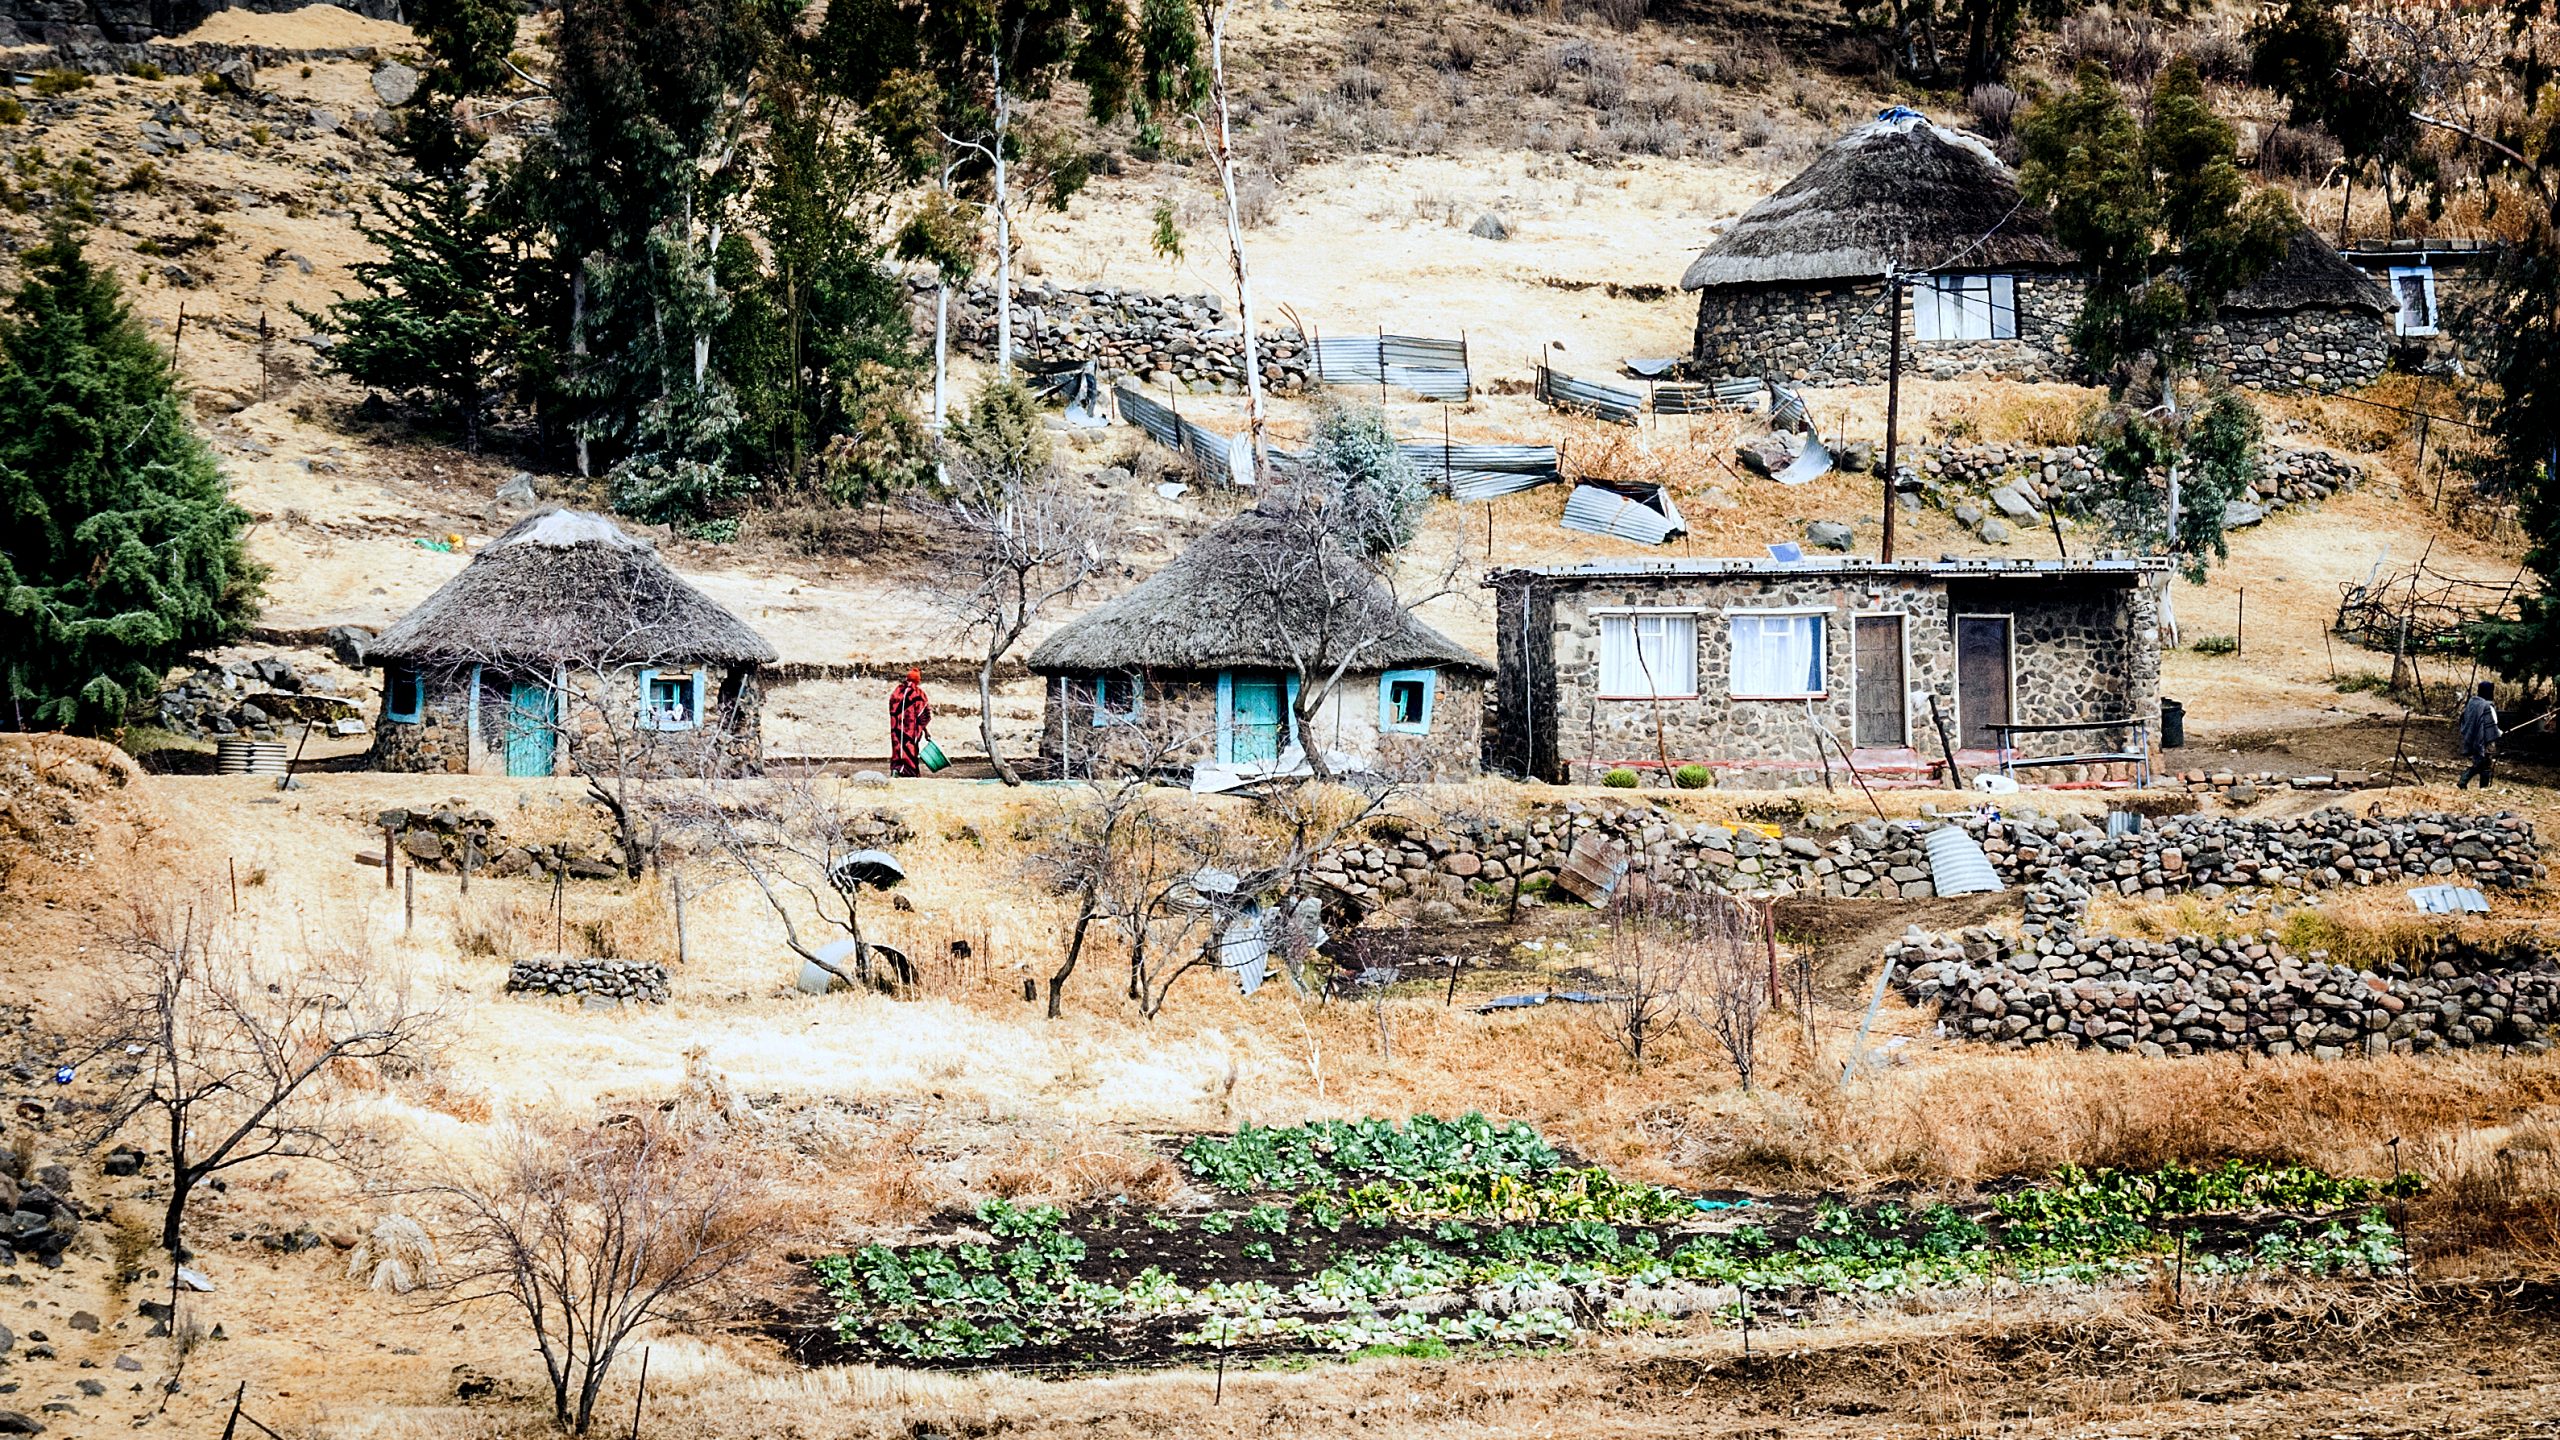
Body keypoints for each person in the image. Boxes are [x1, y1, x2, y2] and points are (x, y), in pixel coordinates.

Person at [2456, 680, 2500, 789]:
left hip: (2473, 738)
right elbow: (2493, 724)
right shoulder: (2487, 706)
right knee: (2485, 763)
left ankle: (2471, 783)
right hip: (2485, 739)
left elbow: (2464, 718)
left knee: (2481, 763)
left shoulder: (2472, 703)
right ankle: (2472, 783)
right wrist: (2498, 732)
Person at [889, 669, 932, 778]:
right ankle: (909, 773)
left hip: (897, 728)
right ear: (918, 680)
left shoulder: (897, 691)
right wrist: (924, 729)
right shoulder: (918, 693)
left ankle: (896, 769)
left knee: (897, 748)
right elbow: (924, 714)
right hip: (910, 729)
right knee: (910, 749)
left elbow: (892, 707)